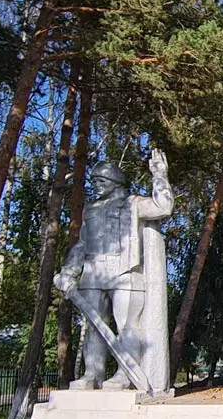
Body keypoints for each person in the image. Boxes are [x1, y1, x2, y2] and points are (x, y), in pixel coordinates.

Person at [54, 149, 174, 390]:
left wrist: (159, 175)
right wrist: (69, 270)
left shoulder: (134, 204)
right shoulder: (91, 209)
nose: (95, 186)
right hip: (93, 273)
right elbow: (83, 243)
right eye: (94, 181)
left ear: (115, 183)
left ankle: (124, 374)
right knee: (94, 328)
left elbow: (164, 207)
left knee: (128, 325)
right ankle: (92, 374)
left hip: (127, 273)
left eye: (101, 181)